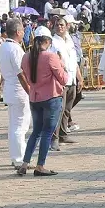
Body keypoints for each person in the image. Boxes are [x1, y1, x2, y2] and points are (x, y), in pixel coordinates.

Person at [18, 29, 68, 176]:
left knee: (36, 132)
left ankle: (25, 163)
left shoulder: (26, 57)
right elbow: (63, 79)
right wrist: (62, 65)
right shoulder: (50, 57)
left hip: (34, 98)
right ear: (47, 42)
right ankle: (40, 166)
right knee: (47, 133)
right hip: (51, 98)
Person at [0, 18, 31, 169]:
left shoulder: (4, 46)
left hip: (11, 89)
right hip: (19, 90)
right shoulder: (15, 49)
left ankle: (16, 157)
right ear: (18, 32)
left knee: (14, 126)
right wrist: (30, 91)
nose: (24, 33)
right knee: (20, 127)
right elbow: (21, 73)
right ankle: (19, 159)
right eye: (23, 31)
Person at [48, 17, 82, 148]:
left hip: (72, 79)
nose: (59, 27)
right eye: (57, 25)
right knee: (58, 110)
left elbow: (74, 61)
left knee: (67, 110)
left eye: (61, 25)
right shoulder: (53, 42)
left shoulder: (69, 41)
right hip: (61, 81)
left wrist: (79, 78)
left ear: (67, 26)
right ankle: (54, 138)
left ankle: (63, 135)